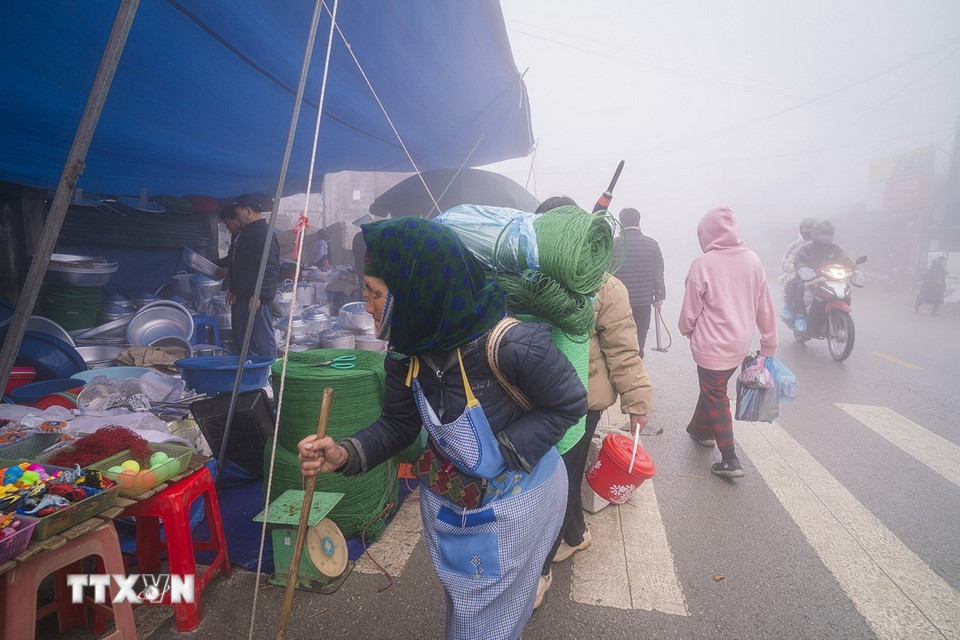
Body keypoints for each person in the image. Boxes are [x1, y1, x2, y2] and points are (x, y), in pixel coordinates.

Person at [297, 217, 586, 640]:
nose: (368, 305)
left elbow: (569, 403)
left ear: (418, 292)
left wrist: (502, 453)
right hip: (458, 502)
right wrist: (344, 453)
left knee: (488, 620)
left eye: (376, 293)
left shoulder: (512, 345)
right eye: (367, 291)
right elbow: (398, 424)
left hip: (519, 500)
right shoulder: (407, 352)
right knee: (468, 606)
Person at [531, 197, 653, 609]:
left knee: (558, 477)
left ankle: (540, 570)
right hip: (539, 398)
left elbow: (624, 351)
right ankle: (576, 534)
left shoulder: (605, 286)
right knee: (560, 475)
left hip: (583, 402)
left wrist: (637, 401)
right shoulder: (531, 275)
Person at [678, 206, 777, 479]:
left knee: (716, 394)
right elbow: (765, 305)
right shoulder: (753, 260)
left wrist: (687, 329)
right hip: (738, 345)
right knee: (714, 388)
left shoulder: (703, 263)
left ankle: (730, 459)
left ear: (706, 233)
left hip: (711, 345)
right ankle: (700, 430)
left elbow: (690, 310)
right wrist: (769, 343)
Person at [226, 193, 279, 357]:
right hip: (242, 296)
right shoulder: (245, 233)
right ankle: (250, 370)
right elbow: (240, 265)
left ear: (248, 211)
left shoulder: (264, 234)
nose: (237, 218)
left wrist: (259, 295)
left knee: (264, 341)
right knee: (245, 343)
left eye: (238, 213)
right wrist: (233, 288)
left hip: (256, 300)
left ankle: (271, 371)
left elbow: (269, 268)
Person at [616, 207, 665, 358]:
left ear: (621, 223)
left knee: (618, 338)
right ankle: (637, 362)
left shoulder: (613, 244)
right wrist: (659, 296)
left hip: (617, 301)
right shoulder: (651, 244)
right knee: (640, 336)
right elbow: (658, 274)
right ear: (638, 222)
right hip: (643, 302)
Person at [792, 220, 853, 330]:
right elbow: (799, 260)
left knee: (846, 288)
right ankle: (800, 316)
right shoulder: (807, 249)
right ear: (815, 234)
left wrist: (853, 268)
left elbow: (845, 261)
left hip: (832, 278)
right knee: (801, 286)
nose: (826, 238)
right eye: (823, 235)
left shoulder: (835, 249)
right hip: (812, 278)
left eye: (828, 235)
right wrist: (803, 269)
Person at [779, 217, 816, 322]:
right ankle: (792, 311)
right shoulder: (795, 245)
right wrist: (799, 269)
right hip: (798, 274)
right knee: (794, 284)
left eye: (810, 228)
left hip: (820, 273)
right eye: (805, 228)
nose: (807, 231)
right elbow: (785, 263)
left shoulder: (822, 244)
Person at [213, 204, 242, 279]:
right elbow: (231, 258)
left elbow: (248, 263)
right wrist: (211, 264)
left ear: (237, 219)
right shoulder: (235, 236)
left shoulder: (248, 236)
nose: (227, 228)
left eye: (228, 224)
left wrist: (230, 271)